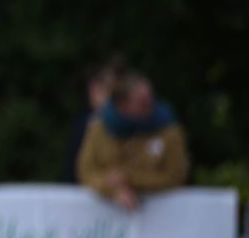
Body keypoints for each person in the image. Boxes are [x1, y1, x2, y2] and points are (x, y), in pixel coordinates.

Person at [76, 71, 189, 210]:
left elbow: (176, 175)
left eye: (150, 98)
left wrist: (129, 179)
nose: (150, 106)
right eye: (142, 102)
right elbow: (86, 171)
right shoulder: (98, 129)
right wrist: (111, 187)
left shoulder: (168, 131)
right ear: (122, 104)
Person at [63, 54, 125, 183]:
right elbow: (75, 170)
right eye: (109, 88)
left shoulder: (122, 120)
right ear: (94, 87)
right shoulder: (83, 122)